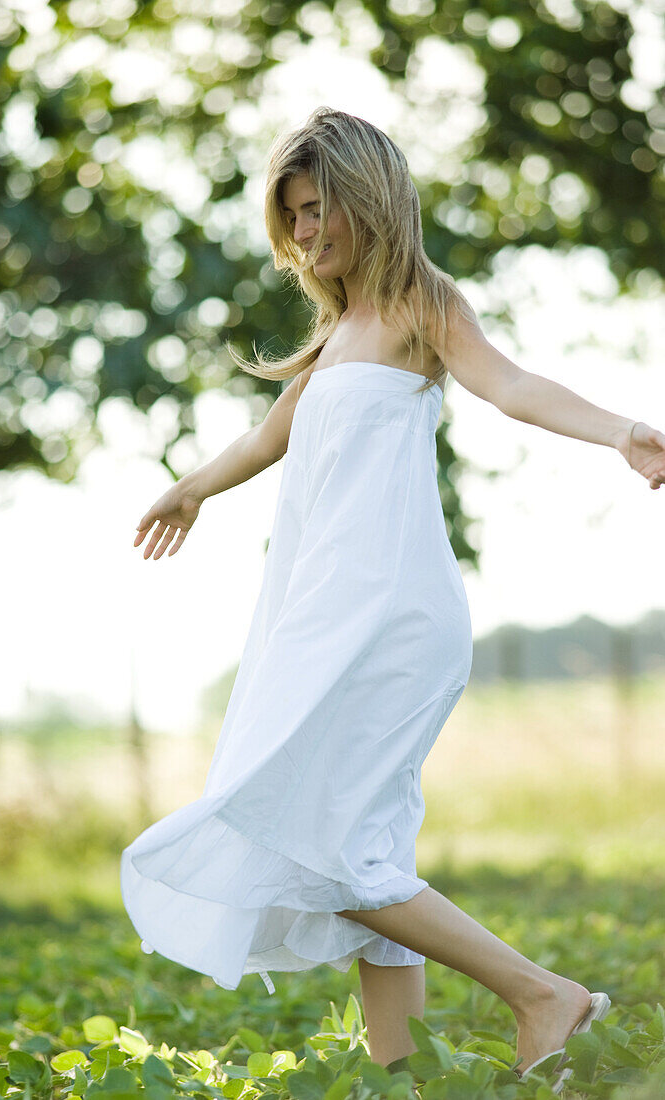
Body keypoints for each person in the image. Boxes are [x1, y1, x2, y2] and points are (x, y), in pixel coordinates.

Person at [121, 107, 665, 1091]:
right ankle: (401, 1077)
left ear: (368, 200)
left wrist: (620, 428)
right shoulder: (332, 340)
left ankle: (544, 993)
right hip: (322, 617)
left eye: (318, 207)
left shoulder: (420, 305)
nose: (305, 233)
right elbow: (259, 441)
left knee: (316, 835)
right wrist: (190, 486)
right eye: (290, 215)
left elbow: (510, 386)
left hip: (389, 618)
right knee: (360, 838)